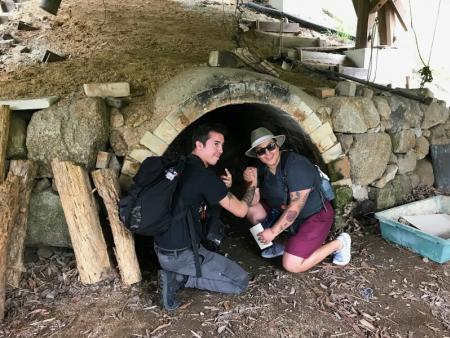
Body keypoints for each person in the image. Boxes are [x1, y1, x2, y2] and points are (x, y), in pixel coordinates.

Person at [154, 123, 257, 310]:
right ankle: (179, 278)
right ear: (199, 145)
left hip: (162, 247)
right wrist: (251, 184)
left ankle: (181, 272)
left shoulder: (178, 164)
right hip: (181, 256)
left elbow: (193, 198)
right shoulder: (205, 177)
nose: (221, 150)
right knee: (241, 281)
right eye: (216, 144)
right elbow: (241, 210)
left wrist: (222, 189)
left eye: (222, 145)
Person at [243, 127, 351, 273]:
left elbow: (295, 206)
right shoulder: (262, 170)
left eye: (270, 146)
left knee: (291, 265)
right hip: (284, 215)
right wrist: (252, 183)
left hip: (313, 216)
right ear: (256, 155)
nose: (267, 153)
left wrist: (273, 232)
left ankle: (340, 243)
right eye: (261, 151)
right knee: (252, 210)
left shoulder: (295, 165)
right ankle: (282, 245)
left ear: (277, 144)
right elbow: (252, 203)